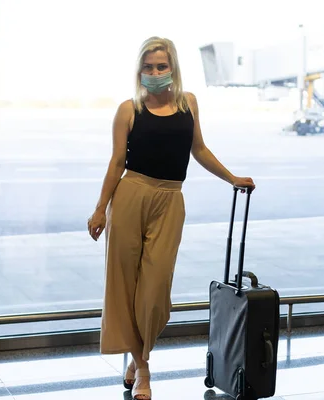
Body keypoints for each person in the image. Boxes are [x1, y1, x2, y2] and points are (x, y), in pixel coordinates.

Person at [87, 36, 255, 400]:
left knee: (155, 292)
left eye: (161, 66)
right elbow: (117, 163)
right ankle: (143, 369)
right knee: (124, 289)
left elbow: (199, 149)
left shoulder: (188, 103)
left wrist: (232, 178)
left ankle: (138, 356)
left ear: (173, 68)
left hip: (170, 200)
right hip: (130, 196)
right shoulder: (128, 109)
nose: (155, 73)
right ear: (139, 71)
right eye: (148, 67)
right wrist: (101, 207)